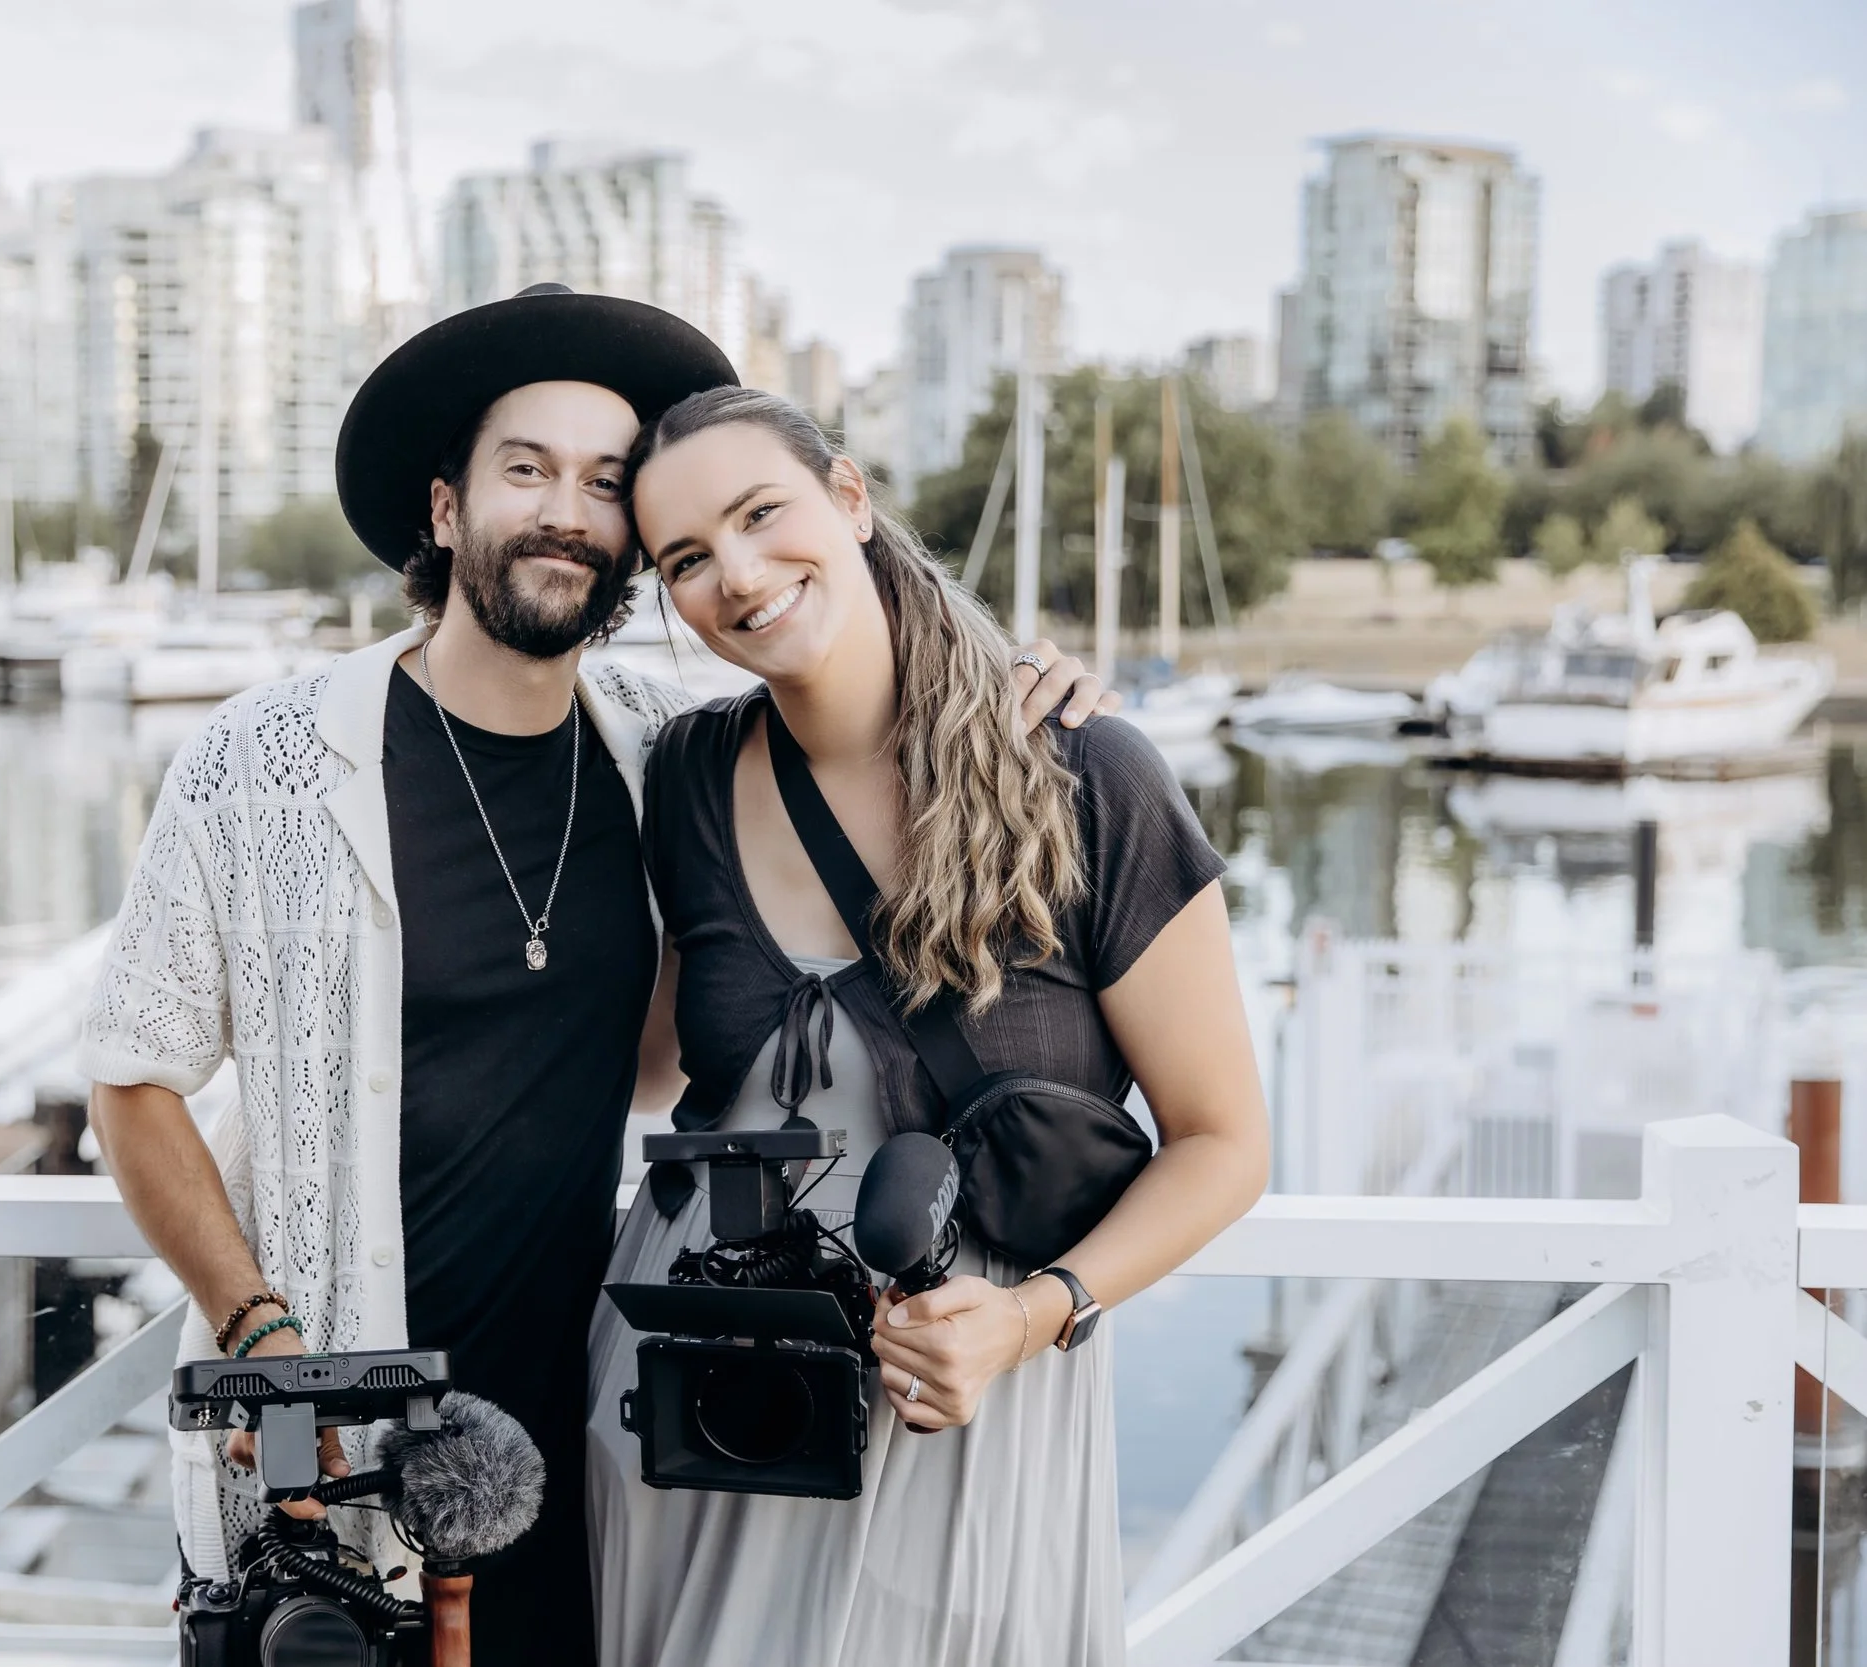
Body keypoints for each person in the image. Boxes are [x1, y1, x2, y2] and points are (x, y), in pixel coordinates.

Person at [76, 287, 1117, 1665]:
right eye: (527, 469)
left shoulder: (665, 751)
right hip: (342, 1434)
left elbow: (851, 697)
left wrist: (1020, 681)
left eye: (605, 482)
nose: (566, 508)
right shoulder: (259, 762)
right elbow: (134, 1075)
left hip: (605, 1418)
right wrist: (259, 1325)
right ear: (445, 511)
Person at [589, 386, 1270, 1667]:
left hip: (955, 1394)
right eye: (685, 557)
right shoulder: (678, 768)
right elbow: (648, 1061)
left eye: (759, 514)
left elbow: (1224, 1140)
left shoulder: (1082, 769)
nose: (735, 575)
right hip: (691, 1390)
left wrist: (1030, 1317)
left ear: (849, 498)